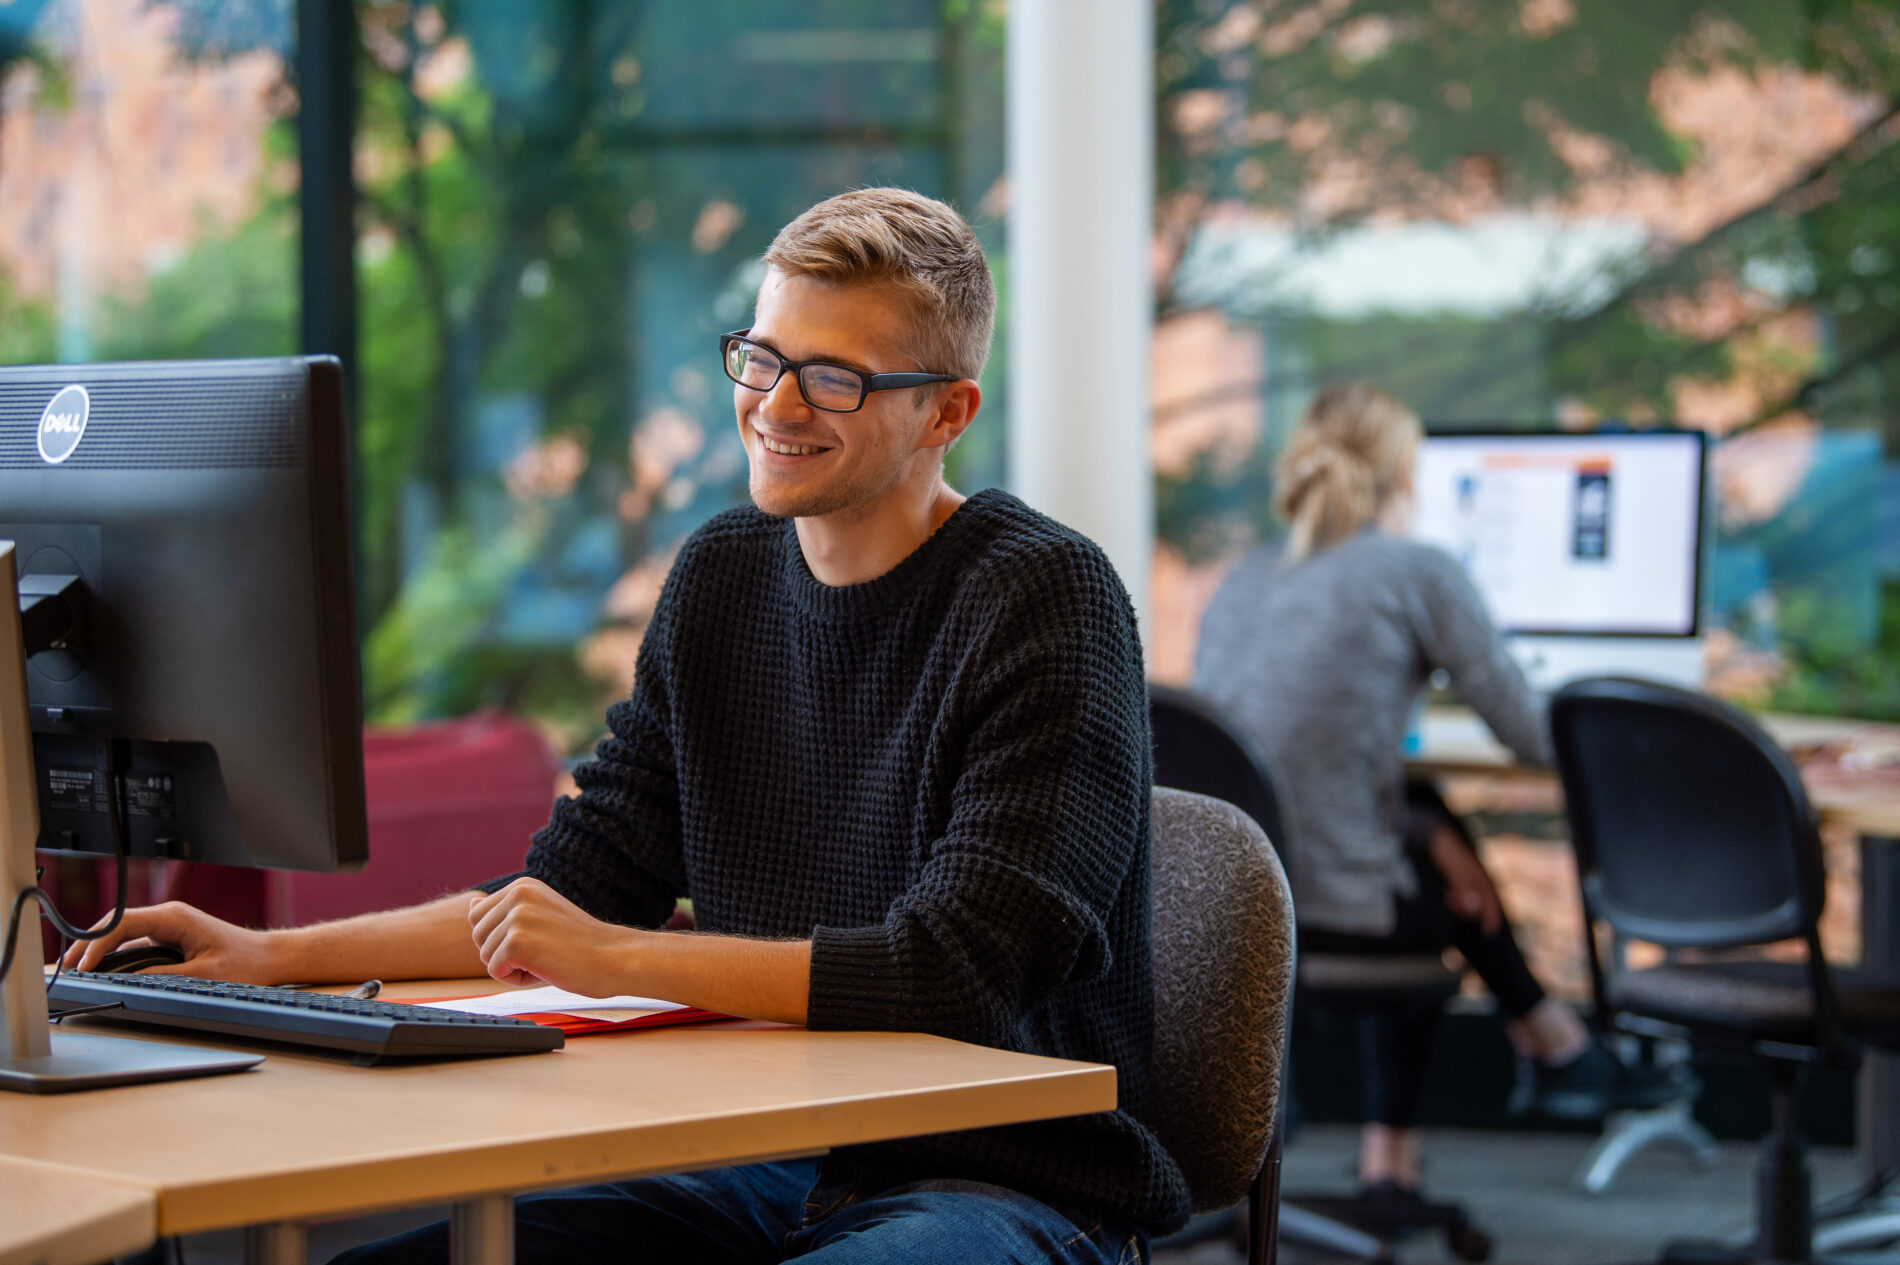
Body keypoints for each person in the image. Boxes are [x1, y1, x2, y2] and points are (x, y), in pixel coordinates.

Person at [67, 188, 1183, 1264]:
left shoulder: (1045, 599)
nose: (776, 406)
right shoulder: (721, 579)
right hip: (769, 1156)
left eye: (832, 378)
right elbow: (570, 894)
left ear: (946, 410)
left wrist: (614, 958)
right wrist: (267, 957)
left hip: (1004, 1180)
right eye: (762, 357)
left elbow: (955, 970)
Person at [1192, 382, 1675, 1202]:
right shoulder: (1417, 569)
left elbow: (1282, 759)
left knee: (1434, 843)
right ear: (1402, 475)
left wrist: (1430, 829)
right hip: (1334, 909)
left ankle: (1509, 1075)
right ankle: (1540, 1051)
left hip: (1226, 907)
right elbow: (1528, 731)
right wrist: (1654, 734)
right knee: (1446, 893)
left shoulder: (1243, 577)